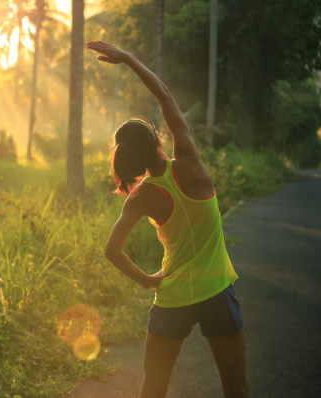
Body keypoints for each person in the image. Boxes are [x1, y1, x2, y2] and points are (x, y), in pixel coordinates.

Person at [86, 40, 249, 398]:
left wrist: (148, 281)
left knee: (153, 388)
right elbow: (165, 97)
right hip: (217, 291)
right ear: (159, 138)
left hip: (172, 296)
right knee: (235, 388)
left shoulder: (140, 197)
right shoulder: (190, 163)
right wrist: (129, 58)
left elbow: (112, 250)